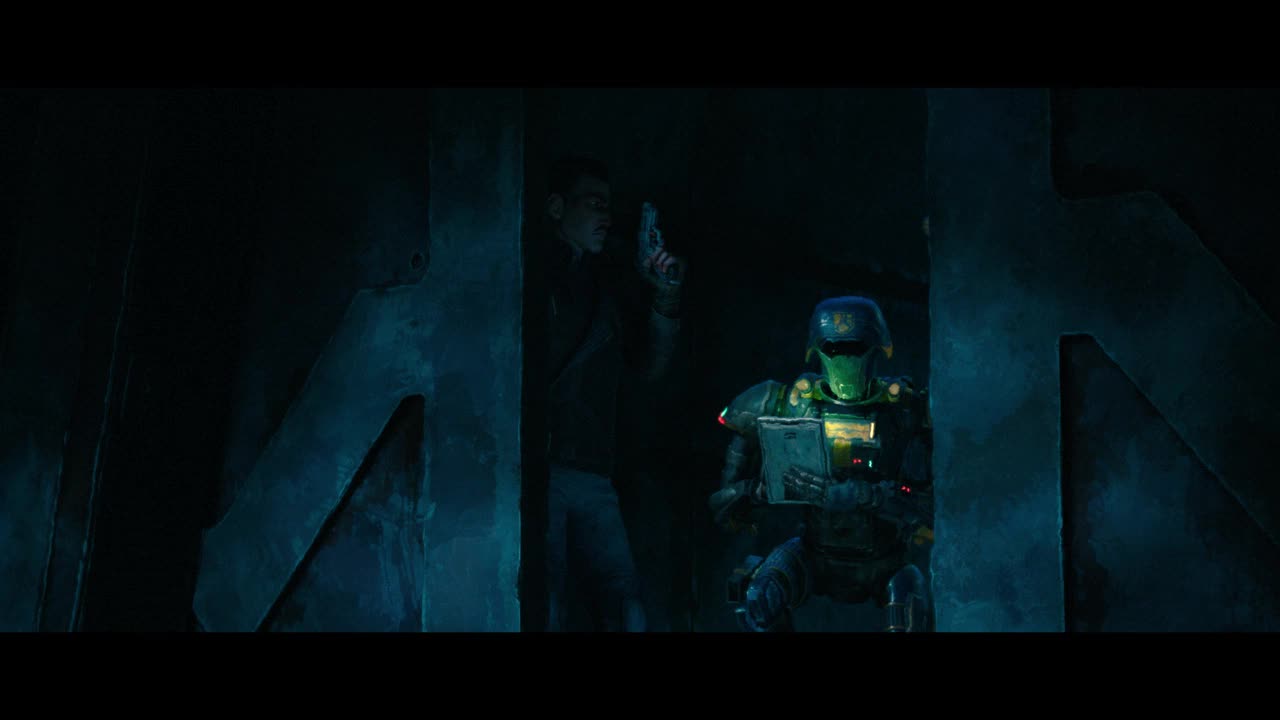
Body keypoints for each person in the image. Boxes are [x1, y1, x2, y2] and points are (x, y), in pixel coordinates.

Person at [710, 296, 934, 632]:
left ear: (878, 347)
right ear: (816, 348)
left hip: (884, 561)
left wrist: (876, 496)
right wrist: (761, 491)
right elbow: (725, 501)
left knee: (911, 611)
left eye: (855, 347)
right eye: (834, 347)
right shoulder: (790, 404)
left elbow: (938, 505)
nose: (845, 358)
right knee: (759, 597)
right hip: (814, 555)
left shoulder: (904, 408)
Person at [542, 154, 685, 632]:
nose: (605, 216)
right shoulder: (534, 277)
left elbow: (648, 368)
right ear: (557, 207)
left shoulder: (607, 287)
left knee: (624, 607)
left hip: (592, 469)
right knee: (547, 603)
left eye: (607, 206)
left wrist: (663, 295)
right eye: (593, 204)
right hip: (540, 467)